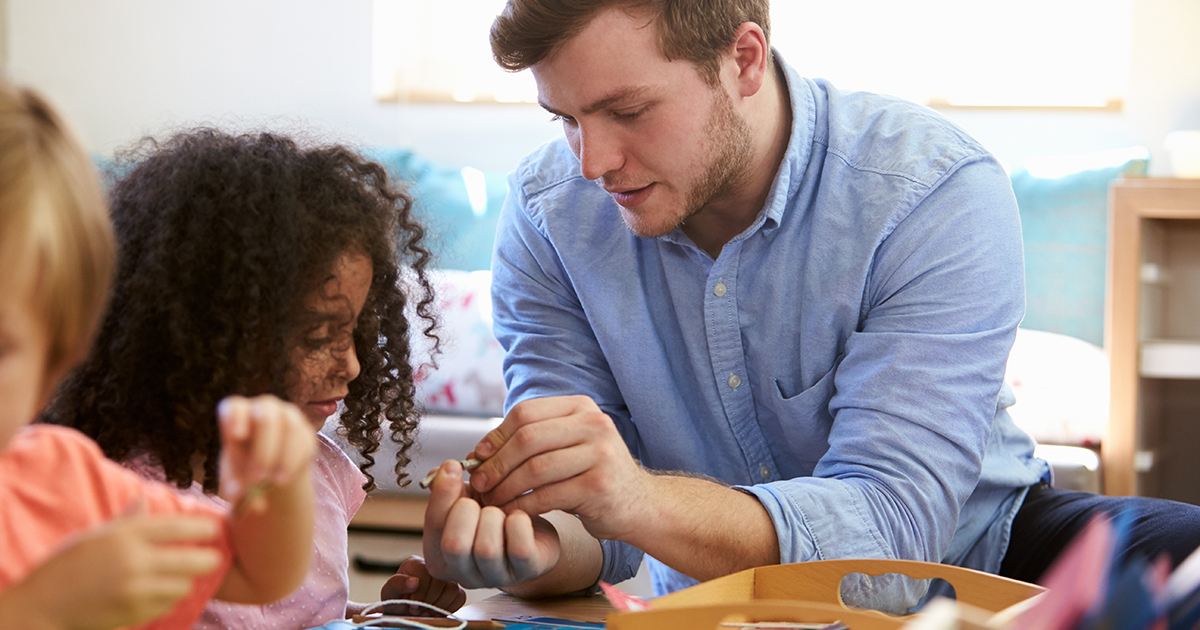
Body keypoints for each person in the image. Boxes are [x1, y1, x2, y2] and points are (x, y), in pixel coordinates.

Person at [419, 0, 1200, 613]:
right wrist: (530, 547)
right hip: (710, 598)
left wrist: (637, 498)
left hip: (975, 560)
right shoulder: (548, 215)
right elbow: (596, 522)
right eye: (565, 119)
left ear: (744, 59)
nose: (592, 163)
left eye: (626, 112)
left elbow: (894, 537)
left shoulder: (931, 191)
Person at [42, 128, 467, 627]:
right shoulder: (123, 502)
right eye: (316, 337)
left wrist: (381, 616)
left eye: (355, 333)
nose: (350, 365)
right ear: (208, 334)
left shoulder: (315, 472)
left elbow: (297, 615)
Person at [0, 81, 315, 629]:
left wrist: (279, 484)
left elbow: (255, 571)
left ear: (52, 364)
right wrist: (35, 612)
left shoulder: (62, 483)